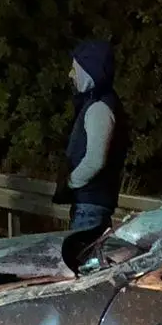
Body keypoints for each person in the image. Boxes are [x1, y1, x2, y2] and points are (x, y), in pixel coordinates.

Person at [54, 39, 129, 234]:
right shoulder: (98, 104)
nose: (70, 75)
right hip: (91, 205)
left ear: (89, 72)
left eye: (75, 69)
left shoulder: (99, 108)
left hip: (90, 207)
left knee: (80, 262)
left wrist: (71, 181)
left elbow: (95, 160)